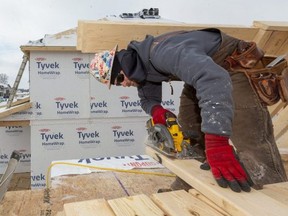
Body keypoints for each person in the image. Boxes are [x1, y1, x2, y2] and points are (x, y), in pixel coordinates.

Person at [90, 28, 287, 193]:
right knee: (190, 134)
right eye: (117, 85)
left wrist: (217, 142)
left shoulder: (162, 53)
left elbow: (214, 79)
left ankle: (275, 197)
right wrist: (157, 110)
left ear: (123, 66)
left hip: (232, 69)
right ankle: (188, 187)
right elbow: (147, 97)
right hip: (205, 74)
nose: (123, 85)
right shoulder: (141, 64)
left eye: (118, 79)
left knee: (251, 142)